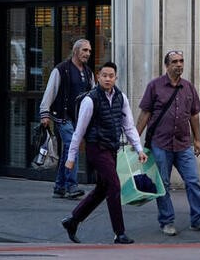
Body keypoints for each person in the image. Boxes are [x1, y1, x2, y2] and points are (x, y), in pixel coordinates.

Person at [60, 62, 147, 244]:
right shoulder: (90, 100)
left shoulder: (121, 98)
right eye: (104, 75)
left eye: (111, 76)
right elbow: (79, 131)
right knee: (114, 185)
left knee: (102, 188)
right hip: (96, 149)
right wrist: (71, 158)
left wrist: (139, 149)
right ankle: (119, 233)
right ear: (98, 77)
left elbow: (129, 127)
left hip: (111, 148)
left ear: (115, 78)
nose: (108, 79)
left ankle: (73, 220)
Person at [137, 50, 200, 236]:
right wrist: (135, 141)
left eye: (181, 61)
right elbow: (145, 114)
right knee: (162, 184)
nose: (179, 64)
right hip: (160, 144)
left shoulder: (188, 87)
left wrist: (197, 139)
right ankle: (167, 221)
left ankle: (198, 219)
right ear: (167, 65)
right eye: (175, 62)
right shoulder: (154, 86)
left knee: (193, 182)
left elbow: (194, 115)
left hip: (183, 144)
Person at [39, 39, 95, 199]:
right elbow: (50, 91)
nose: (87, 54)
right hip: (62, 117)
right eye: (85, 50)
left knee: (67, 151)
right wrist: (44, 113)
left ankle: (59, 187)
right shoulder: (61, 69)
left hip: (79, 118)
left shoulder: (88, 72)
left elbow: (93, 95)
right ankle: (71, 186)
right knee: (73, 147)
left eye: (89, 51)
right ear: (76, 51)